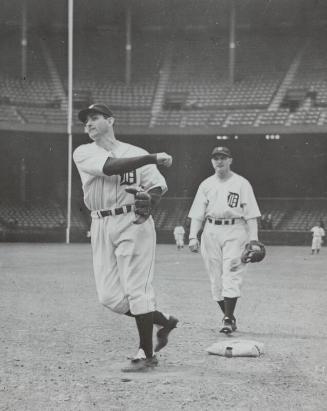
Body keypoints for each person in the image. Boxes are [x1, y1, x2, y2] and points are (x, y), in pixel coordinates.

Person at [73, 103, 178, 372]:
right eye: (85, 121)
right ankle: (163, 320)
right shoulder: (84, 151)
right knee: (109, 297)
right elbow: (111, 167)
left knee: (137, 289)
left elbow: (157, 185)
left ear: (111, 120)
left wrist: (149, 199)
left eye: (94, 118)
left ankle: (146, 353)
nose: (88, 124)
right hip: (100, 222)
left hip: (133, 220)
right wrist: (152, 157)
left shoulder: (135, 150)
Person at [188, 146, 262, 334]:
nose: (219, 161)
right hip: (211, 230)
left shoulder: (241, 183)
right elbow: (197, 213)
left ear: (230, 160)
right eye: (215, 158)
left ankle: (227, 318)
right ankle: (229, 315)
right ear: (212, 161)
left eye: (223, 157)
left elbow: (251, 214)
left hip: (235, 229)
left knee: (231, 273)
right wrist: (192, 236)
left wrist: (253, 239)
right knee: (216, 279)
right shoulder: (206, 184)